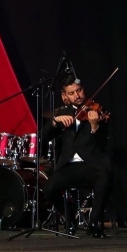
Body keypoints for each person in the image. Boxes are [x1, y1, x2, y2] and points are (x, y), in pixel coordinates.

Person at [40, 74, 111, 237]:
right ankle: (69, 215)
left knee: (104, 178)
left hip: (92, 164)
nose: (77, 95)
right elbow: (42, 137)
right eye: (71, 93)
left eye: (79, 90)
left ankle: (93, 223)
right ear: (65, 96)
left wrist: (94, 127)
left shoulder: (96, 110)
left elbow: (102, 144)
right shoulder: (62, 113)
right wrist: (54, 122)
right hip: (69, 166)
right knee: (48, 188)